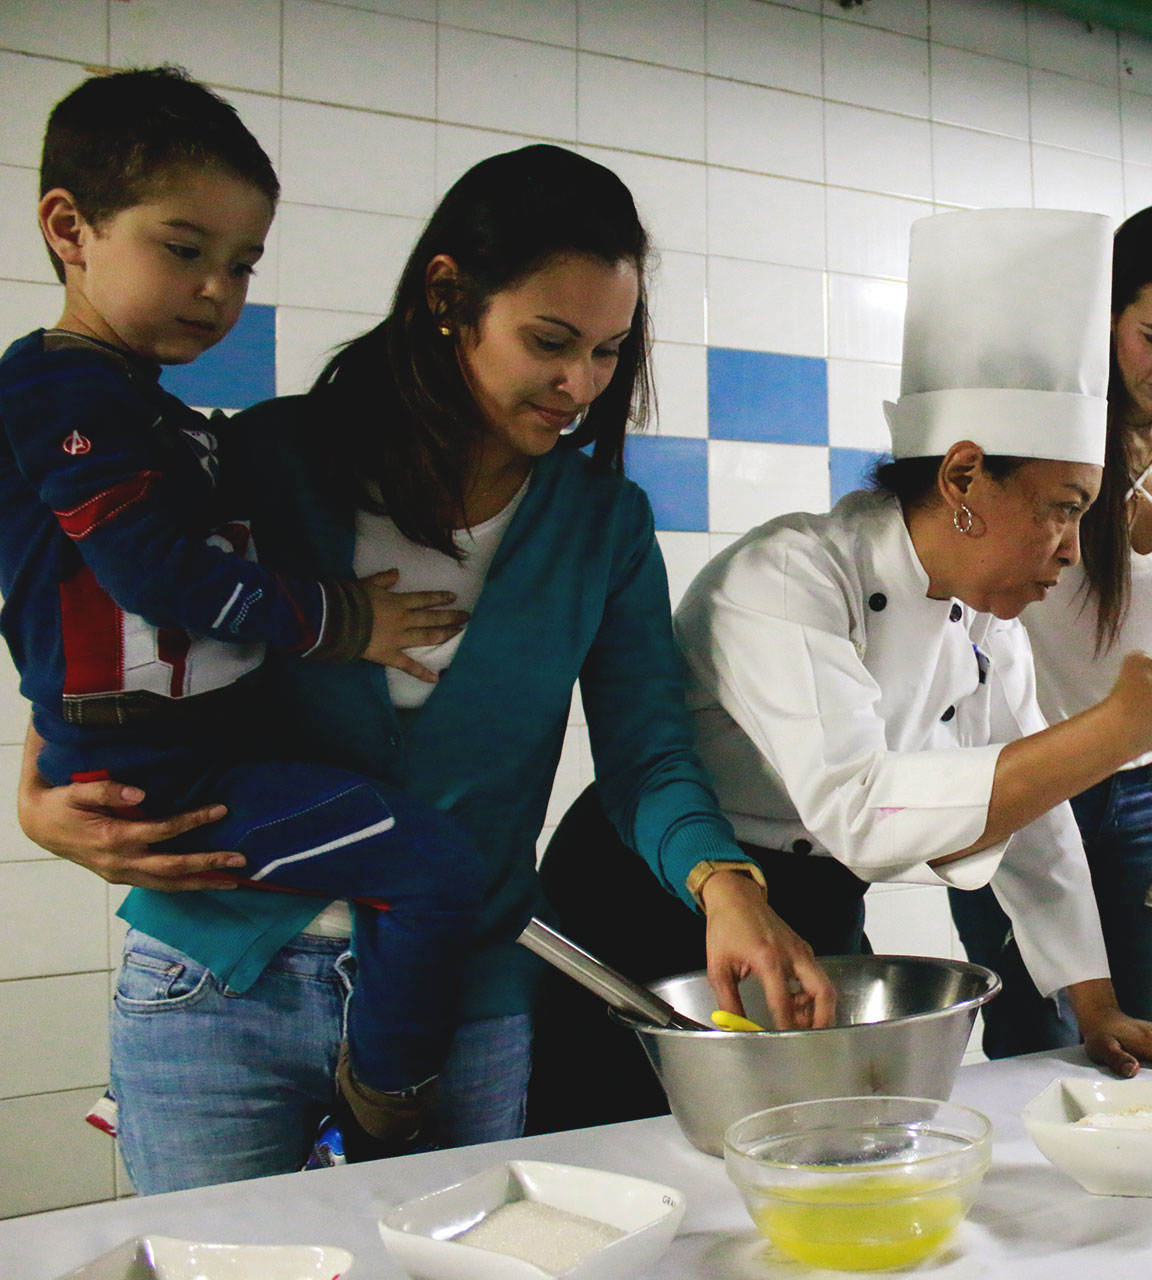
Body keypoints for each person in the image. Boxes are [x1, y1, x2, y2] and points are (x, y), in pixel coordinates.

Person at [16, 142, 829, 1193]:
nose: (580, 383)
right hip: (219, 971)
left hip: (464, 992)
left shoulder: (603, 526)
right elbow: (116, 614)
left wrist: (726, 884)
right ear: (449, 296)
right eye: (550, 340)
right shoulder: (272, 457)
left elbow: (648, 753)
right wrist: (43, 791)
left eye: (609, 351)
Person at [530, 209, 1152, 1132]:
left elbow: (1036, 835)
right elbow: (862, 809)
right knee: (609, 1145)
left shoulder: (992, 633)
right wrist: (1116, 728)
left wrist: (1096, 1002)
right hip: (655, 897)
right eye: (1062, 510)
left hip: (820, 903)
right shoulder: (789, 576)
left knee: (806, 1148)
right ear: (962, 479)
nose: (1073, 554)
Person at [1, 65, 509, 1162]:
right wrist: (345, 621)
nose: (217, 291)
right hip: (177, 780)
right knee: (434, 867)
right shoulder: (60, 392)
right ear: (69, 227)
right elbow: (152, 576)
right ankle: (388, 1096)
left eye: (241, 264)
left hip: (183, 751)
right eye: (183, 250)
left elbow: (45, 597)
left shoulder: (153, 409)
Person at [948, 200, 1152, 1054]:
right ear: (1106, 313)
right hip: (1022, 776)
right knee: (1034, 1044)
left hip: (1142, 789)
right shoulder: (1048, 439)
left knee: (1146, 1036)